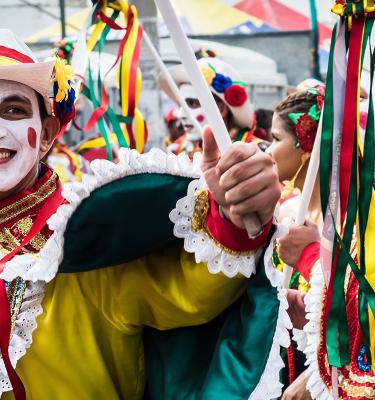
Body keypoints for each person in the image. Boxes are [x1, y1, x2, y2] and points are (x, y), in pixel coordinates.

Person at [0, 29, 286, 400]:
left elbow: (189, 289)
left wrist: (229, 215)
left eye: (12, 110)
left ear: (47, 134)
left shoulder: (88, 236)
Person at [158, 57, 267, 157]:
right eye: (180, 105)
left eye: (192, 103)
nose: (181, 115)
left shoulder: (258, 155)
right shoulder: (177, 151)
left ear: (221, 109)